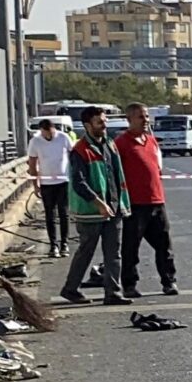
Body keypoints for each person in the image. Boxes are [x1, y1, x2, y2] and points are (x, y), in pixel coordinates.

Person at [59, 107, 129, 306]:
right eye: (100, 122)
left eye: (105, 121)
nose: (104, 125)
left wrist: (119, 203)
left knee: (113, 253)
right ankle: (70, 289)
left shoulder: (110, 144)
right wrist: (98, 203)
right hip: (91, 212)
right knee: (86, 251)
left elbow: (115, 175)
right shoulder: (80, 150)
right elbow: (79, 183)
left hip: (114, 207)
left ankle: (113, 293)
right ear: (87, 125)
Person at [114, 104, 177, 297]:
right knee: (131, 247)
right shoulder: (120, 143)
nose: (146, 120)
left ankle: (169, 281)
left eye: (147, 116)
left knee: (164, 245)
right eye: (141, 117)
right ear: (129, 119)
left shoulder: (151, 141)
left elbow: (157, 168)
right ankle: (129, 285)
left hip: (156, 201)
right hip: (134, 204)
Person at [27, 117, 74, 257]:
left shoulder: (63, 137)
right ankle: (53, 245)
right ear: (41, 131)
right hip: (46, 183)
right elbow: (32, 164)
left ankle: (64, 243)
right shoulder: (35, 141)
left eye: (51, 133)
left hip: (63, 181)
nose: (49, 136)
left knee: (64, 213)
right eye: (46, 134)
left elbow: (73, 155)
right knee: (50, 214)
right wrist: (35, 185)